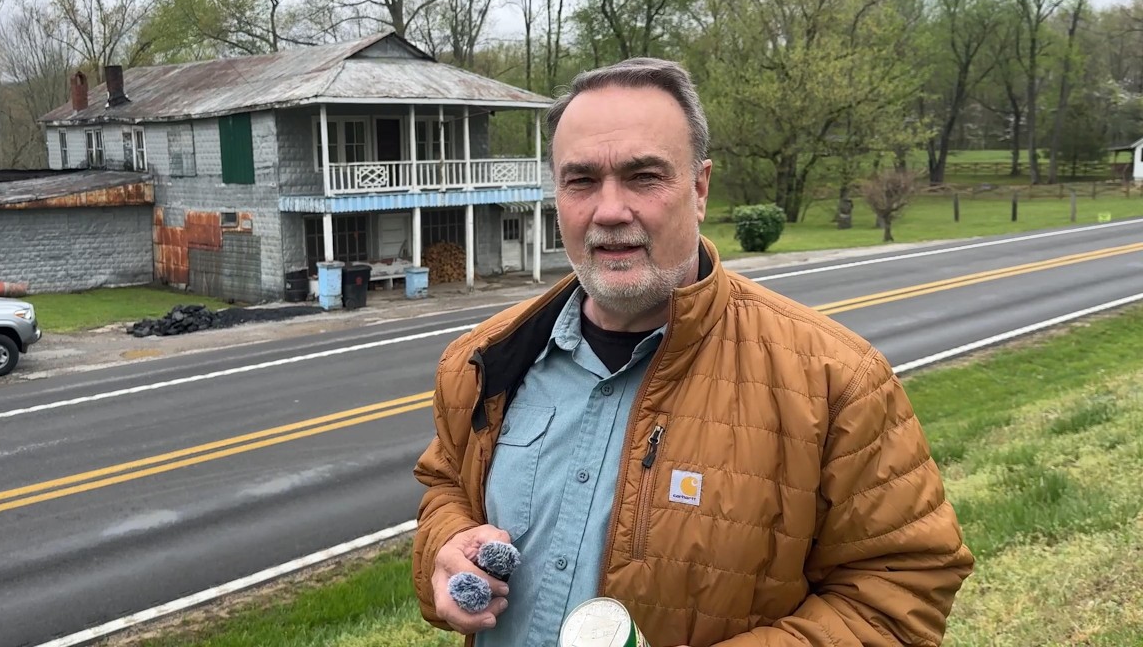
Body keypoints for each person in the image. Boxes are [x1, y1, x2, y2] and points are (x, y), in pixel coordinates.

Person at [411, 57, 973, 647]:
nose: (608, 210)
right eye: (581, 181)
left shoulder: (836, 383)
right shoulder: (484, 361)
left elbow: (900, 596)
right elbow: (447, 485)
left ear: (700, 188)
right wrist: (445, 548)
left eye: (644, 177)